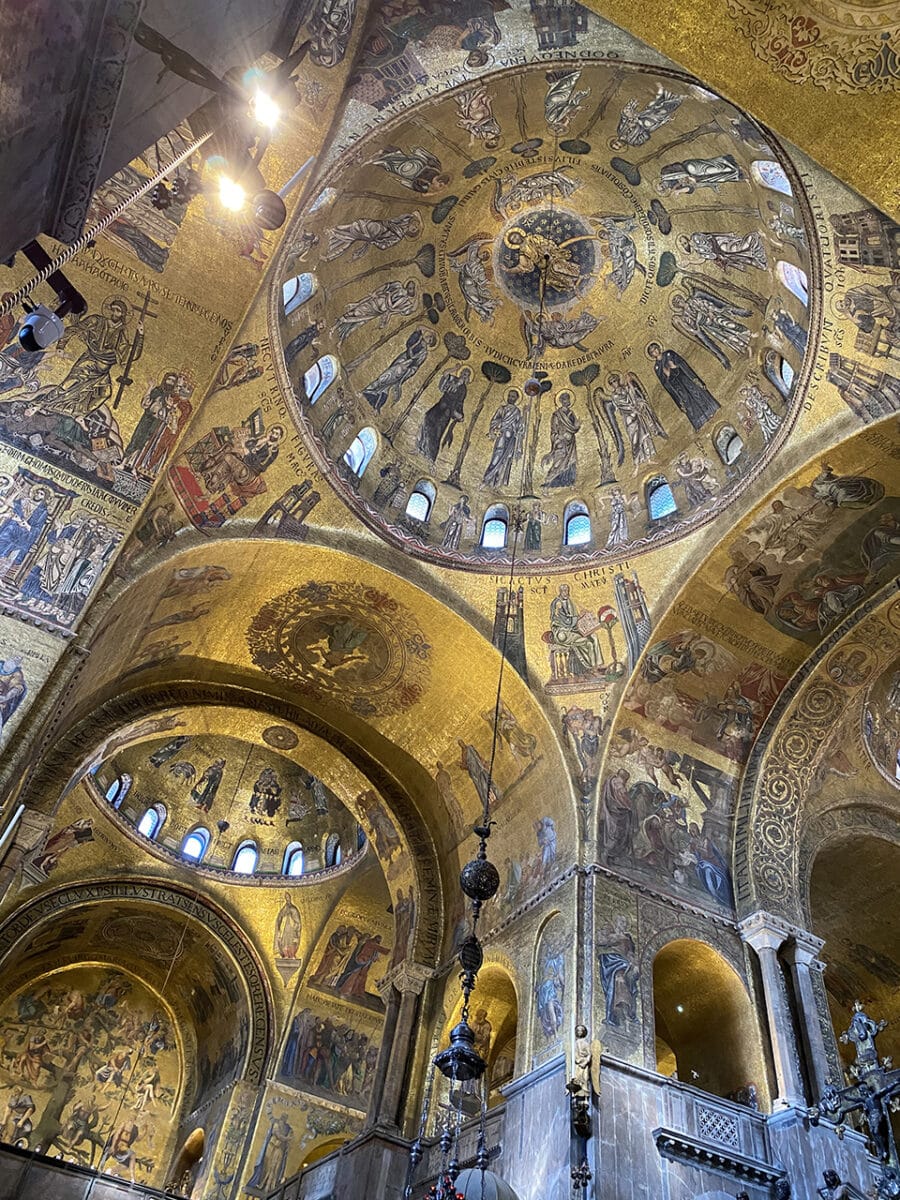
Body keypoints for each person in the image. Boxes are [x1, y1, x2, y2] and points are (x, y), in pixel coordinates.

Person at [647, 342, 720, 430]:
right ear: (651, 355)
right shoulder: (657, 367)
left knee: (695, 392)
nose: (655, 351)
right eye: (652, 352)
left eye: (655, 349)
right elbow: (664, 383)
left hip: (684, 377)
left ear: (658, 348)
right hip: (676, 386)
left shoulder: (669, 354)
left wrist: (675, 366)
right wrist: (668, 376)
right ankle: (700, 420)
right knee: (686, 400)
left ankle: (710, 410)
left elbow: (682, 363)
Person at [418, 367, 469, 462]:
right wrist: (455, 367)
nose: (463, 375)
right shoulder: (453, 379)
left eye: (466, 374)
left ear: (467, 377)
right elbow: (445, 374)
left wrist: (460, 414)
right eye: (463, 372)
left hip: (448, 411)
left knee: (437, 432)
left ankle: (430, 455)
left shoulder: (463, 390)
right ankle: (421, 446)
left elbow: (460, 403)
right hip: (440, 405)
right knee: (427, 418)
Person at [549, 584, 602, 674]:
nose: (567, 593)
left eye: (567, 590)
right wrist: (577, 618)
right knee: (588, 643)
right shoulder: (557, 603)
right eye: (564, 591)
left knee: (594, 636)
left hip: (572, 629)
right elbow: (565, 621)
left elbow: (573, 617)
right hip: (563, 633)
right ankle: (592, 666)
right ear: (560, 592)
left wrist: (581, 616)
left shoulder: (569, 601)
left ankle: (598, 663)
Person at [483, 390, 524, 487]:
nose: (510, 398)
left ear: (517, 399)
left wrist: (520, 423)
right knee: (497, 455)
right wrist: (502, 423)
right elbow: (493, 421)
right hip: (501, 436)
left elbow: (520, 428)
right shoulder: (502, 409)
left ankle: (498, 481)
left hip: (511, 440)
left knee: (506, 459)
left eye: (513, 396)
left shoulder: (517, 411)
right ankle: (488, 477)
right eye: (509, 396)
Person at [541, 391, 579, 487]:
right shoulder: (556, 415)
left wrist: (576, 427)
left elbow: (574, 427)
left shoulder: (571, 413)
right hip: (561, 442)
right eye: (565, 399)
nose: (567, 401)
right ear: (561, 401)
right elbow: (553, 431)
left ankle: (569, 482)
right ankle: (549, 481)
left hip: (571, 441)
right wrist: (560, 436)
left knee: (571, 461)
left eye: (568, 399)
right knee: (558, 462)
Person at [274, 892, 302, 959]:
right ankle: (285, 955)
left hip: (291, 929)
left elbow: (297, 920)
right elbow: (280, 917)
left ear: (290, 898)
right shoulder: (284, 909)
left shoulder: (293, 909)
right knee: (284, 942)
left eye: (288, 897)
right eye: (286, 898)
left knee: (291, 942)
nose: (287, 899)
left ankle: (292, 955)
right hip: (284, 929)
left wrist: (295, 926)